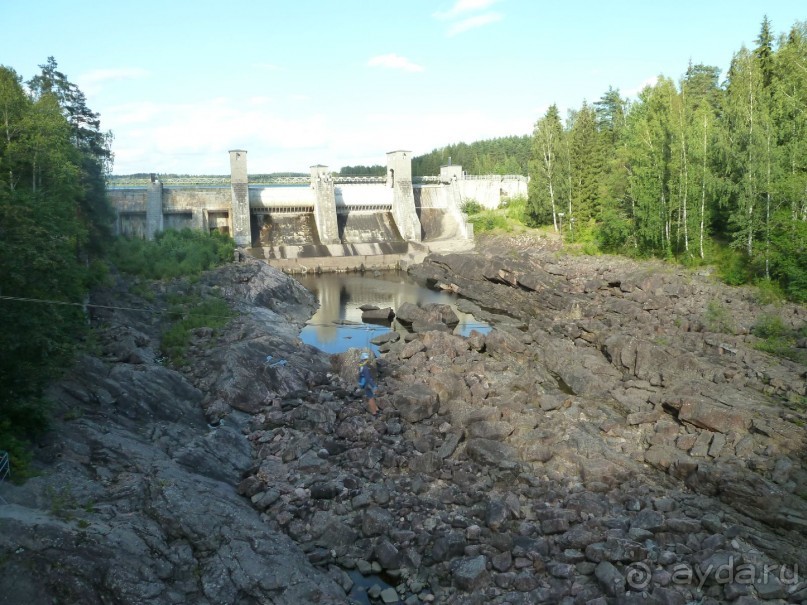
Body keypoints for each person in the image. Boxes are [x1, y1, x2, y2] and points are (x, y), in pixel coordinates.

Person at [358, 352, 379, 416]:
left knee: (371, 396)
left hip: (364, 384)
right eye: (367, 359)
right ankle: (374, 412)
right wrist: (374, 386)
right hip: (367, 384)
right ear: (366, 359)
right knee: (371, 397)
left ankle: (376, 409)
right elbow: (368, 378)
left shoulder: (360, 366)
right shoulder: (365, 368)